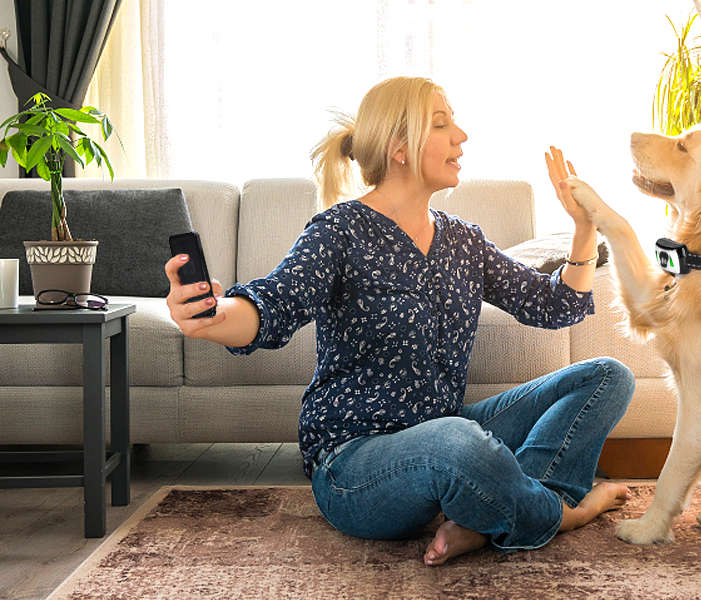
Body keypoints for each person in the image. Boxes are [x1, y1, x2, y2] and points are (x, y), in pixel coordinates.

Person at [165, 76, 634, 566]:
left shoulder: (463, 241)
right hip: (356, 465)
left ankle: (490, 516)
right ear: (400, 148)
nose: (461, 137)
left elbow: (554, 305)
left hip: (444, 432)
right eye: (442, 124)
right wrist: (212, 316)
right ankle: (562, 513)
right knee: (460, 443)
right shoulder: (339, 230)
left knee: (607, 377)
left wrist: (584, 228)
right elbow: (275, 304)